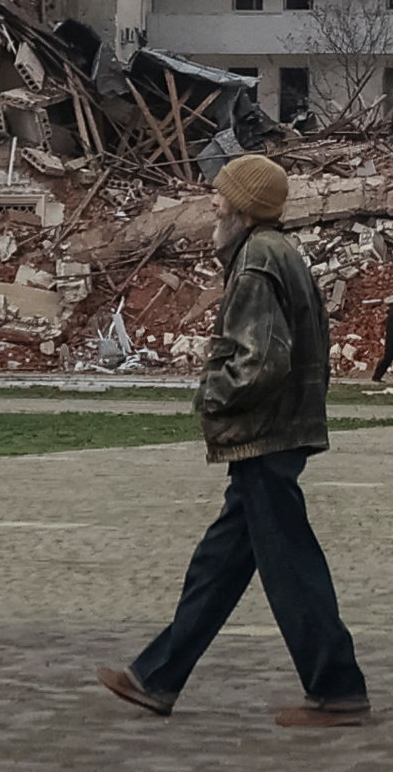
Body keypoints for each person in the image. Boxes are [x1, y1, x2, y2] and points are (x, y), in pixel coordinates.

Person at [100, 153, 370, 727]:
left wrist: (212, 396)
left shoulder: (255, 261)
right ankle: (158, 677)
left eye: (222, 196)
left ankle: (337, 688)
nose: (214, 205)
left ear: (245, 208)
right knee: (218, 566)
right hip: (274, 436)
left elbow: (261, 359)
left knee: (291, 567)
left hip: (264, 437)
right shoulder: (275, 253)